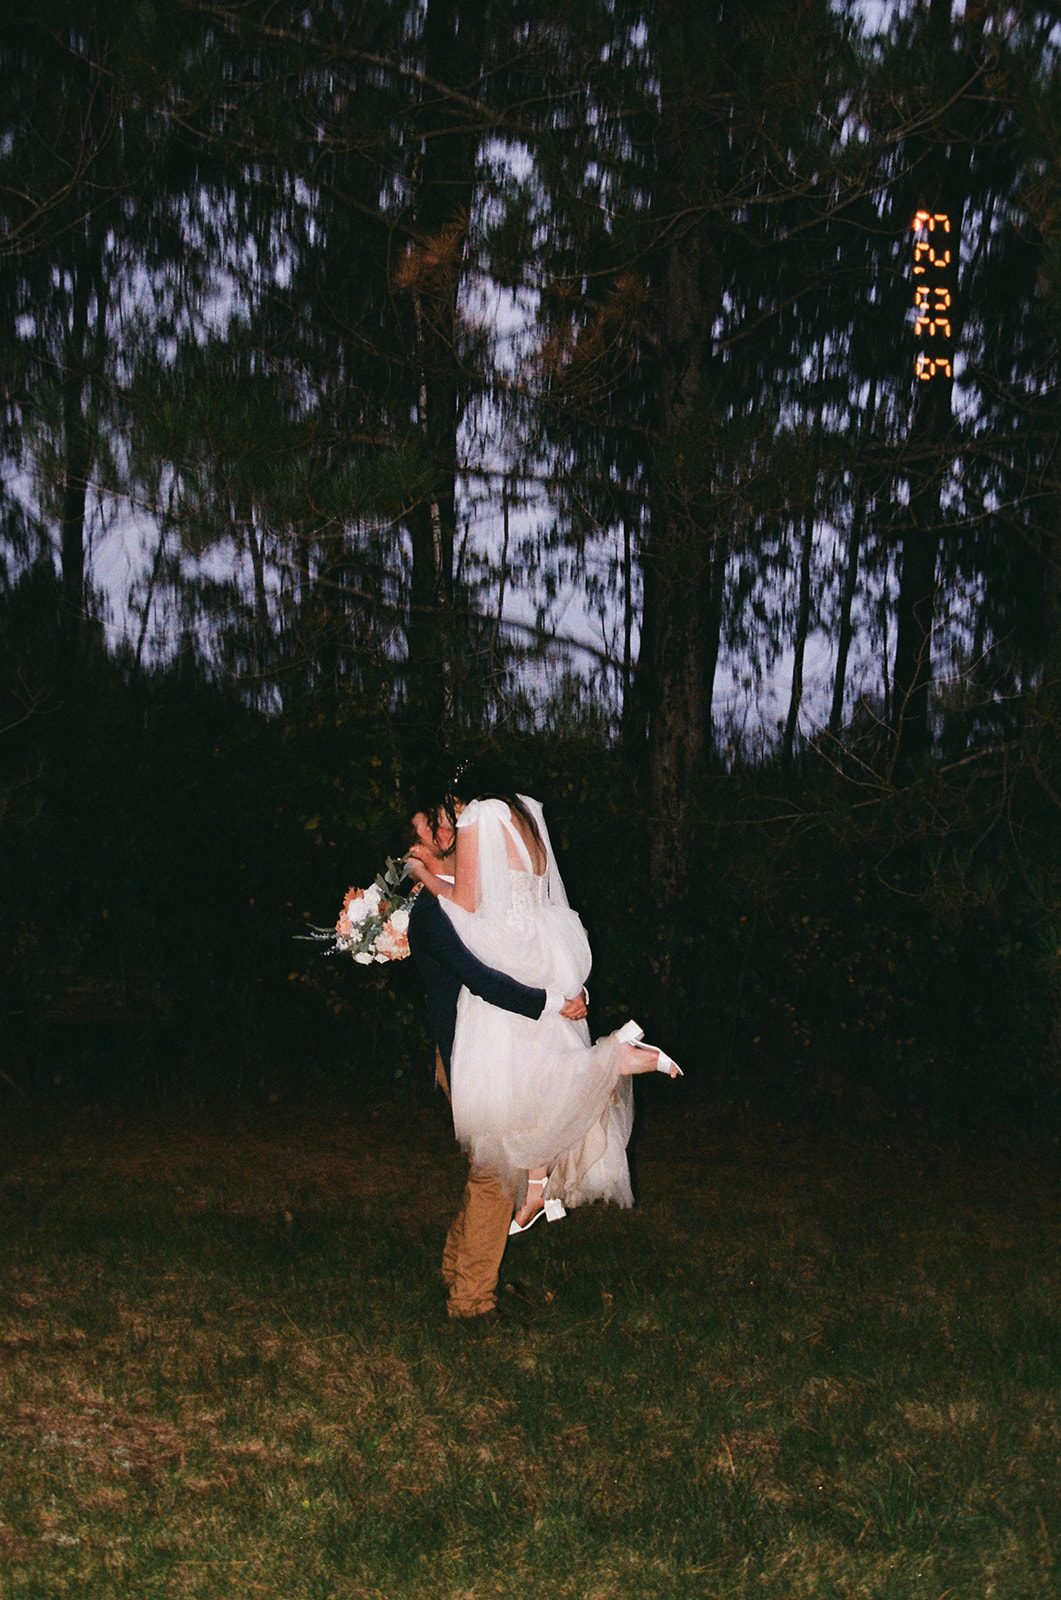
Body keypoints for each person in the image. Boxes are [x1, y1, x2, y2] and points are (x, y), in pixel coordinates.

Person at [404, 757, 680, 1252]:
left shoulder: (476, 816)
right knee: (537, 1080)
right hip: (548, 943)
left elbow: (468, 901)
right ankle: (534, 1193)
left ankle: (614, 1056)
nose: (447, 821)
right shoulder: (526, 810)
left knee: (509, 1100)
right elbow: (537, 890)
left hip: (510, 952)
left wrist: (424, 873)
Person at [404, 805, 587, 1325]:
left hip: (503, 1051)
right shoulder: (433, 912)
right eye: (431, 831)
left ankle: (456, 1270)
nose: (446, 833)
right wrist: (554, 1002)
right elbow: (485, 980)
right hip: (464, 1054)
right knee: (495, 1173)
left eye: (445, 821)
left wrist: (570, 985)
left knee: (488, 1169)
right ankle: (471, 1302)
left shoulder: (479, 900)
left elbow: (526, 952)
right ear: (415, 852)